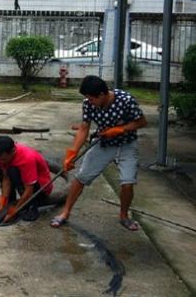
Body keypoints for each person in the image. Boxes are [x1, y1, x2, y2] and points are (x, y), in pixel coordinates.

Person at [50, 75, 147, 231]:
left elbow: (142, 122)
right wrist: (72, 153)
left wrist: (119, 129)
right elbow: (84, 128)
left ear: (102, 94)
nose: (90, 102)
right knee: (81, 177)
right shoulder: (88, 104)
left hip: (126, 144)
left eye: (92, 99)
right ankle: (65, 212)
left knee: (127, 183)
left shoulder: (125, 100)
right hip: (104, 144)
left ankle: (124, 216)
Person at [0, 136, 54, 222]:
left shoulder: (26, 159)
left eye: (4, 159)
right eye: (0, 158)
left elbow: (29, 190)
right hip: (24, 182)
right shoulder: (2, 158)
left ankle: (32, 206)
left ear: (13, 151)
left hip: (40, 189)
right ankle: (10, 201)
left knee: (13, 170)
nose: (1, 162)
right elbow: (6, 179)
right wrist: (3, 204)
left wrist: (14, 211)